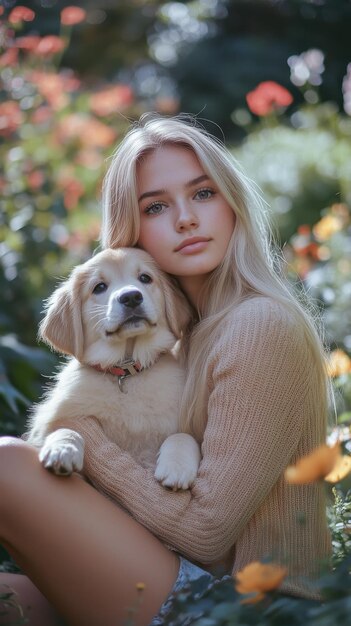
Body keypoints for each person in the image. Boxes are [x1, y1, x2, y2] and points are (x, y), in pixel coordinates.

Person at [0, 114, 331, 626]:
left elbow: (207, 533)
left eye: (203, 194)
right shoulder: (186, 335)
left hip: (252, 608)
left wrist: (84, 432)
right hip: (176, 570)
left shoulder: (258, 325)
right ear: (132, 232)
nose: (185, 219)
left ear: (232, 203)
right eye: (156, 206)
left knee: (7, 467)